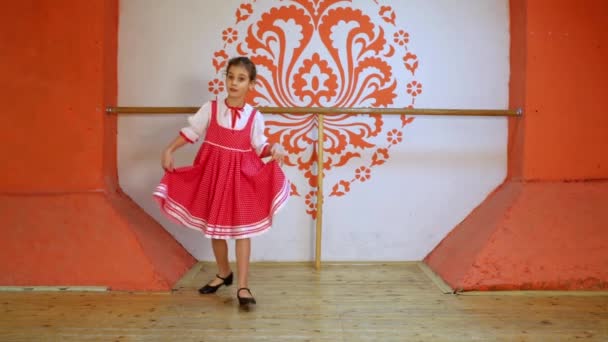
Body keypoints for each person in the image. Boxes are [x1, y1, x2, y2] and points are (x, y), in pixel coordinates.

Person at [153, 56, 290, 306]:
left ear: (251, 84)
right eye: (230, 77)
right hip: (214, 174)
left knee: (242, 231)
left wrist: (275, 148)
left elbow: (260, 147)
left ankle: (243, 287)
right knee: (216, 229)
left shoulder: (253, 116)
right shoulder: (212, 108)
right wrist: (169, 150)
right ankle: (224, 272)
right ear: (225, 78)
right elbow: (192, 132)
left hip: (240, 178)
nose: (234, 83)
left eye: (241, 79)